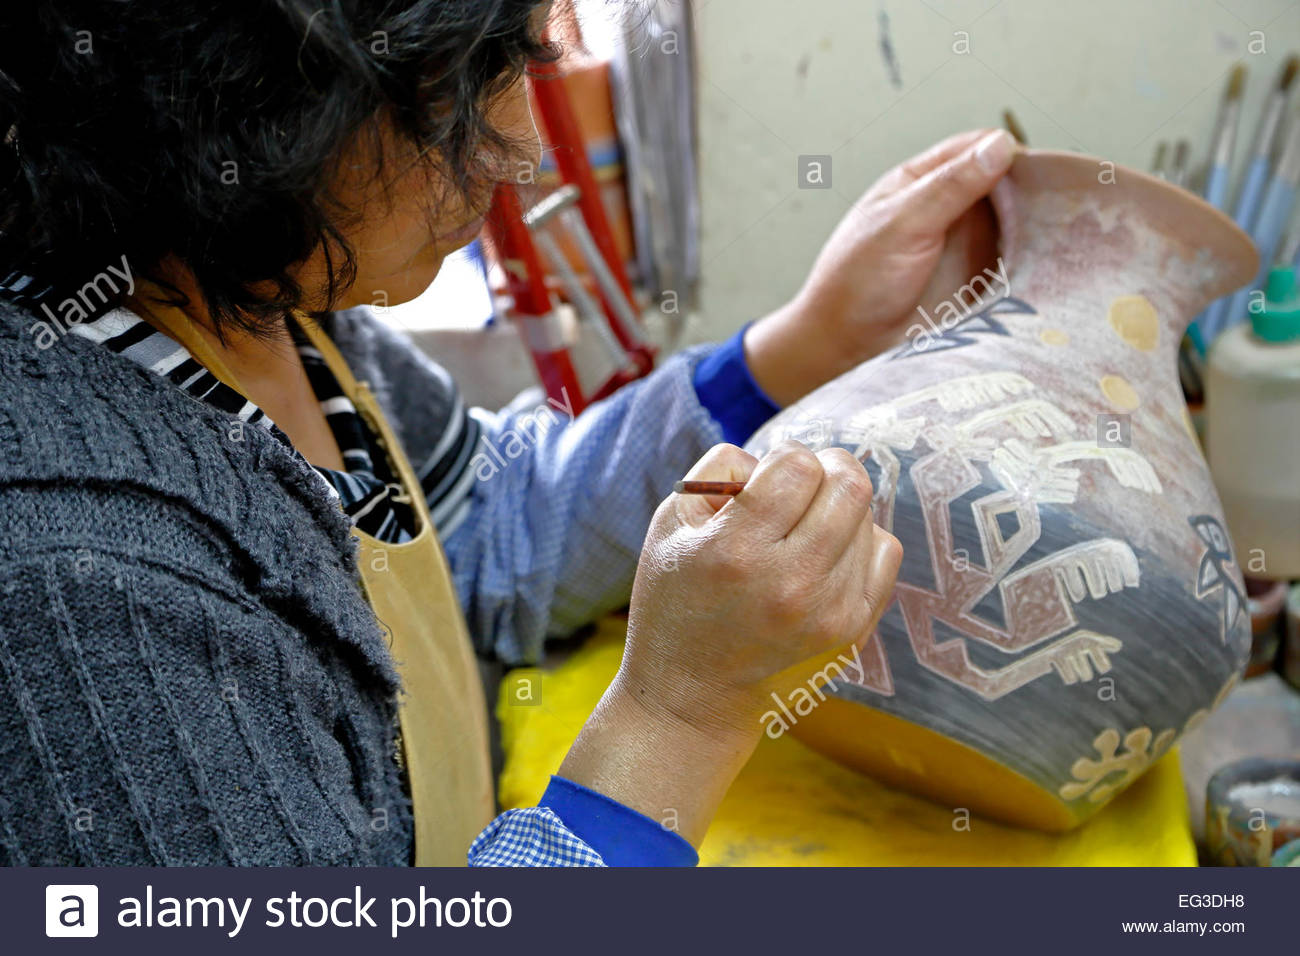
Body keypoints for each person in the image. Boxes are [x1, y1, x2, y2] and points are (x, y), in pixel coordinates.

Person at [0, 1, 1014, 866]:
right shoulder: (82, 582)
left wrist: (799, 347)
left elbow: (485, 531)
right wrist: (680, 715)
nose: (521, 148)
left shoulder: (272, 296)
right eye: (464, 77)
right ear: (232, 89)